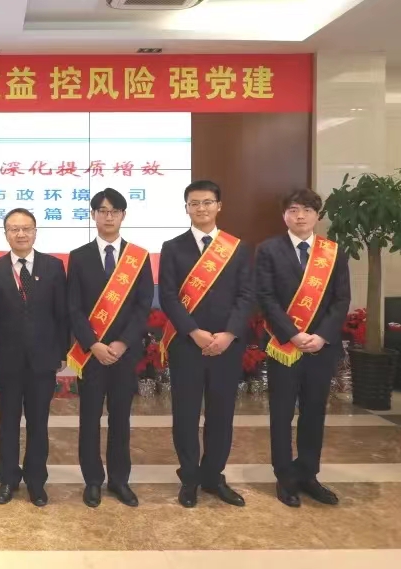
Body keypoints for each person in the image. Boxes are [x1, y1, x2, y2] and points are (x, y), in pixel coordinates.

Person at [158, 180, 254, 508]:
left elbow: (246, 295)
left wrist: (229, 333)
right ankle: (189, 478)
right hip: (187, 345)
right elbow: (168, 296)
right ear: (186, 208)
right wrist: (193, 331)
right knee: (185, 414)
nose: (201, 208)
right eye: (194, 203)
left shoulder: (237, 248)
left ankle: (214, 476)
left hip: (227, 346)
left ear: (219, 206)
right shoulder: (172, 247)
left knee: (221, 414)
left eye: (207, 202)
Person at [255, 188, 350, 507]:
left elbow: (341, 299)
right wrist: (293, 335)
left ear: (317, 215)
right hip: (285, 346)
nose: (300, 216)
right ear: (284, 215)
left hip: (321, 348)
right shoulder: (268, 250)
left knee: (314, 412)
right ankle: (284, 477)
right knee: (281, 414)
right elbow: (265, 297)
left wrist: (321, 336)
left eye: (307, 210)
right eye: (294, 210)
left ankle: (308, 474)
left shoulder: (333, 252)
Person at [67, 188, 153, 508]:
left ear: (123, 215)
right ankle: (92, 480)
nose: (108, 216)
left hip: (123, 355)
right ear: (93, 215)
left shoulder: (138, 257)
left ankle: (119, 480)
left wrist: (122, 342)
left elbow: (143, 306)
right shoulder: (79, 256)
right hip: (91, 355)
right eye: (102, 211)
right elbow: (74, 307)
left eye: (114, 211)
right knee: (89, 420)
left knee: (120, 419)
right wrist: (93, 344)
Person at [0, 208, 68, 507]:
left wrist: (61, 352)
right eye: (14, 229)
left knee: (38, 424)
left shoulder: (53, 266)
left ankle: (36, 481)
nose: (20, 234)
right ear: (6, 233)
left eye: (26, 229)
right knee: (7, 423)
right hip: (6, 360)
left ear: (35, 232)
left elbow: (61, 313)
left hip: (42, 360)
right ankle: (7, 479)